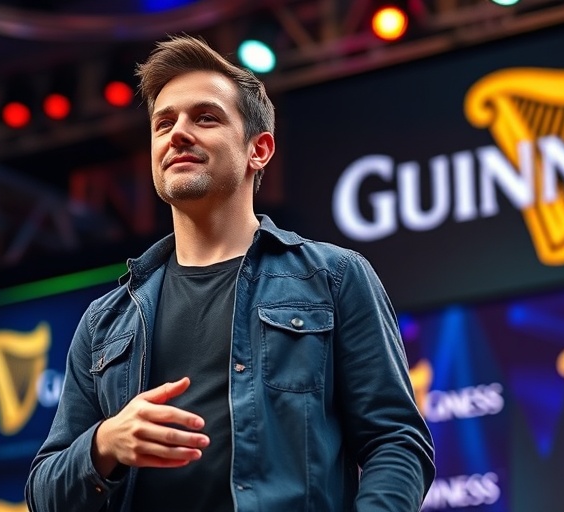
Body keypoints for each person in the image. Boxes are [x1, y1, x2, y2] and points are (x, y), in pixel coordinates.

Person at [24, 34, 435, 512]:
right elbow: (42, 494)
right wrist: (105, 444)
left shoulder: (335, 277)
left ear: (258, 149)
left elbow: (397, 442)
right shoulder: (105, 321)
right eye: (163, 123)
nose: (177, 133)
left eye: (205, 117)